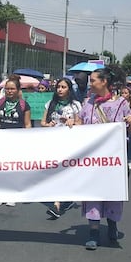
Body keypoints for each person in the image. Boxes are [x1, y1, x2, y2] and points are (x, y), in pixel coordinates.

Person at [73, 67, 131, 250]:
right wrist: (72, 123)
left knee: (112, 193)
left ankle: (112, 224)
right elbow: (80, 123)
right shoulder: (88, 102)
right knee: (92, 193)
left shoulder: (121, 104)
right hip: (92, 159)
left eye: (93, 80)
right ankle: (93, 231)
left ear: (104, 82)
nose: (90, 84)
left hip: (113, 159)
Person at [40, 78, 81, 218]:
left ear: (69, 89)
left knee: (67, 172)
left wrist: (73, 122)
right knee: (56, 172)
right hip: (54, 143)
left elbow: (81, 124)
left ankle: (63, 200)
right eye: (58, 87)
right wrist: (48, 125)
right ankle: (57, 203)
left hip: (70, 143)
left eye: (63, 87)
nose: (60, 89)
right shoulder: (50, 104)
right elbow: (42, 122)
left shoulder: (75, 105)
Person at [0, 75, 31, 207]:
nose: (9, 91)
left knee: (13, 168)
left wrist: (27, 140)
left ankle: (12, 194)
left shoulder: (24, 105)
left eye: (12, 89)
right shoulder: (0, 102)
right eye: (7, 89)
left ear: (18, 90)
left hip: (17, 141)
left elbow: (27, 124)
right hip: (1, 140)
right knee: (0, 167)